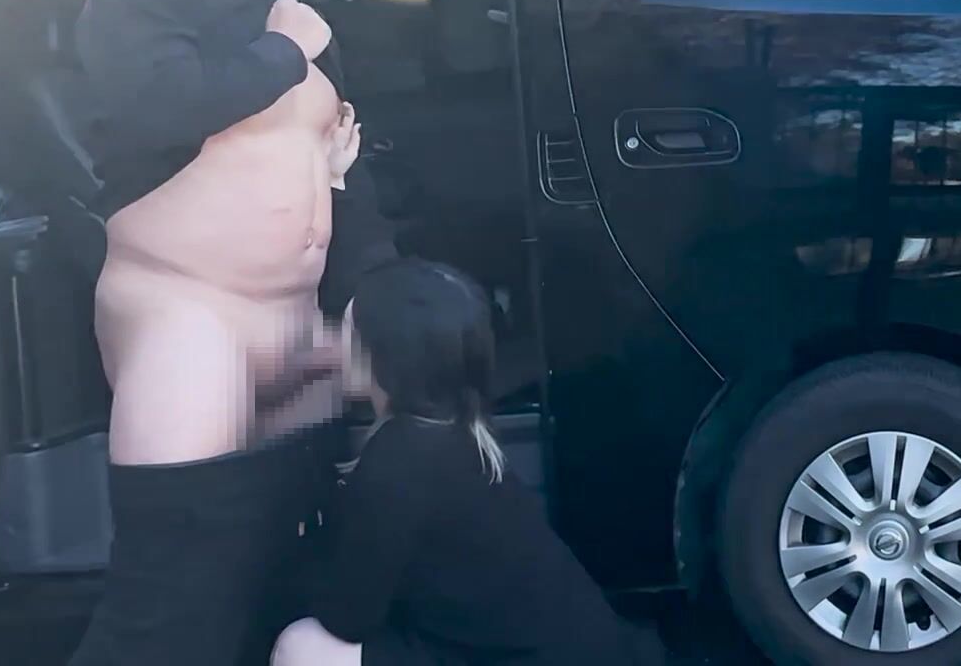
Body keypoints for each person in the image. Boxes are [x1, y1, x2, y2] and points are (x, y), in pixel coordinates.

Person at [68, 0, 398, 666]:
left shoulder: (302, 9)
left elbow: (338, 160)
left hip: (293, 320)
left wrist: (374, 289)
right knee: (177, 590)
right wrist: (285, 50)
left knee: (283, 568)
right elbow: (155, 104)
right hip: (188, 311)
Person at [271, 260, 666, 666]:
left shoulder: (402, 455)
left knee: (300, 647)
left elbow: (348, 617)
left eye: (345, 330)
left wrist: (290, 563)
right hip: (574, 649)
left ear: (383, 353)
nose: (335, 344)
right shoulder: (454, 431)